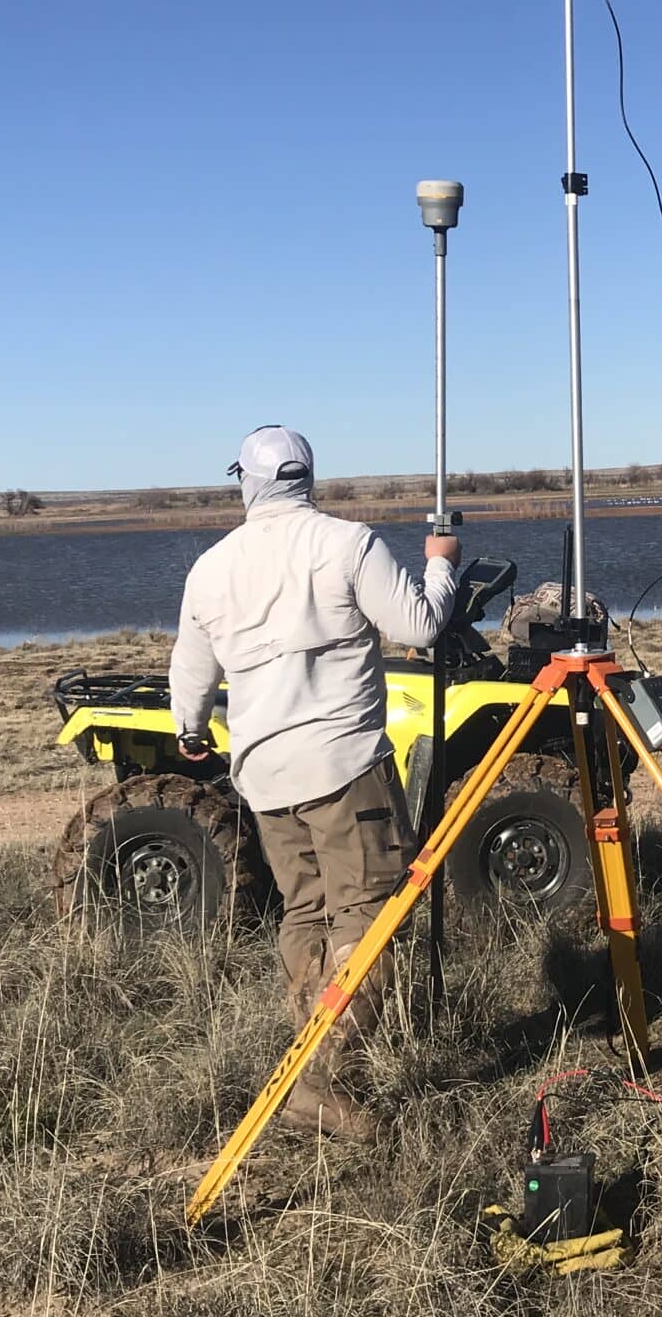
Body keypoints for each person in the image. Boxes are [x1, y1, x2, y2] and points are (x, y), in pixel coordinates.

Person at [169, 426, 460, 1143]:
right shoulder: (348, 544)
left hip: (264, 776)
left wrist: (192, 731)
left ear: (248, 480)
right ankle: (320, 1078)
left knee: (305, 915)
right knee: (371, 916)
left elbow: (191, 672)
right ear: (308, 477)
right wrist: (442, 564)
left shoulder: (210, 568)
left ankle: (315, 1054)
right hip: (342, 766)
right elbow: (418, 628)